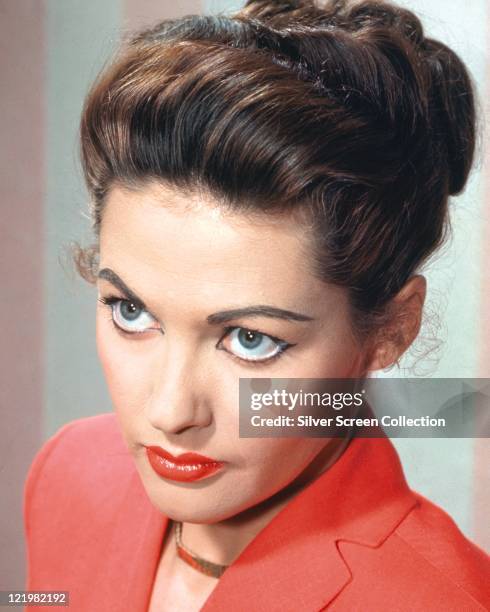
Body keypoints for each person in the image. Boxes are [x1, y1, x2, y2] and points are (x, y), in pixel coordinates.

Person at [23, 0, 490, 610]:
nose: (170, 412)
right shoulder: (67, 476)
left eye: (250, 339)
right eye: (131, 311)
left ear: (392, 329)